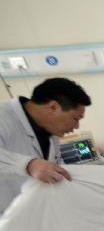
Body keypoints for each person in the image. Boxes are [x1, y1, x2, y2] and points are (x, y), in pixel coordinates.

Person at [0, 77, 91, 213]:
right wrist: (29, 165)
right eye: (75, 118)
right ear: (53, 107)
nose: (76, 126)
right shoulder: (4, 117)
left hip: (31, 212)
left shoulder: (49, 130)